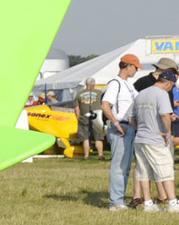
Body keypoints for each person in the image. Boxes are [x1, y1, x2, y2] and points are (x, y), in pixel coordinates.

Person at [131, 68, 179, 211]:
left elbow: (131, 117)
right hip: (156, 139)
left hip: (140, 138)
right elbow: (165, 115)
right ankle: (172, 203)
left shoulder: (141, 94)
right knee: (165, 169)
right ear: (169, 83)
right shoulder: (162, 94)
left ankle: (148, 203)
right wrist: (168, 132)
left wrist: (140, 129)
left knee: (143, 171)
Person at [103, 54, 143, 210]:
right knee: (119, 166)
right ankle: (116, 202)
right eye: (135, 68)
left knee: (125, 166)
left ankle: (119, 199)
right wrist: (116, 123)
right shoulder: (115, 83)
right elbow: (105, 105)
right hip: (122, 128)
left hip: (129, 127)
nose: (136, 71)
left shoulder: (128, 84)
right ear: (128, 66)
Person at [76, 78, 106, 158]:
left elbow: (77, 108)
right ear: (94, 84)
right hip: (97, 118)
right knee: (98, 137)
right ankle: (100, 155)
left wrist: (78, 117)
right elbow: (104, 105)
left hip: (84, 118)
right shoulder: (100, 93)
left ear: (86, 84)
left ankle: (86, 155)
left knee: (85, 138)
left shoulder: (79, 94)